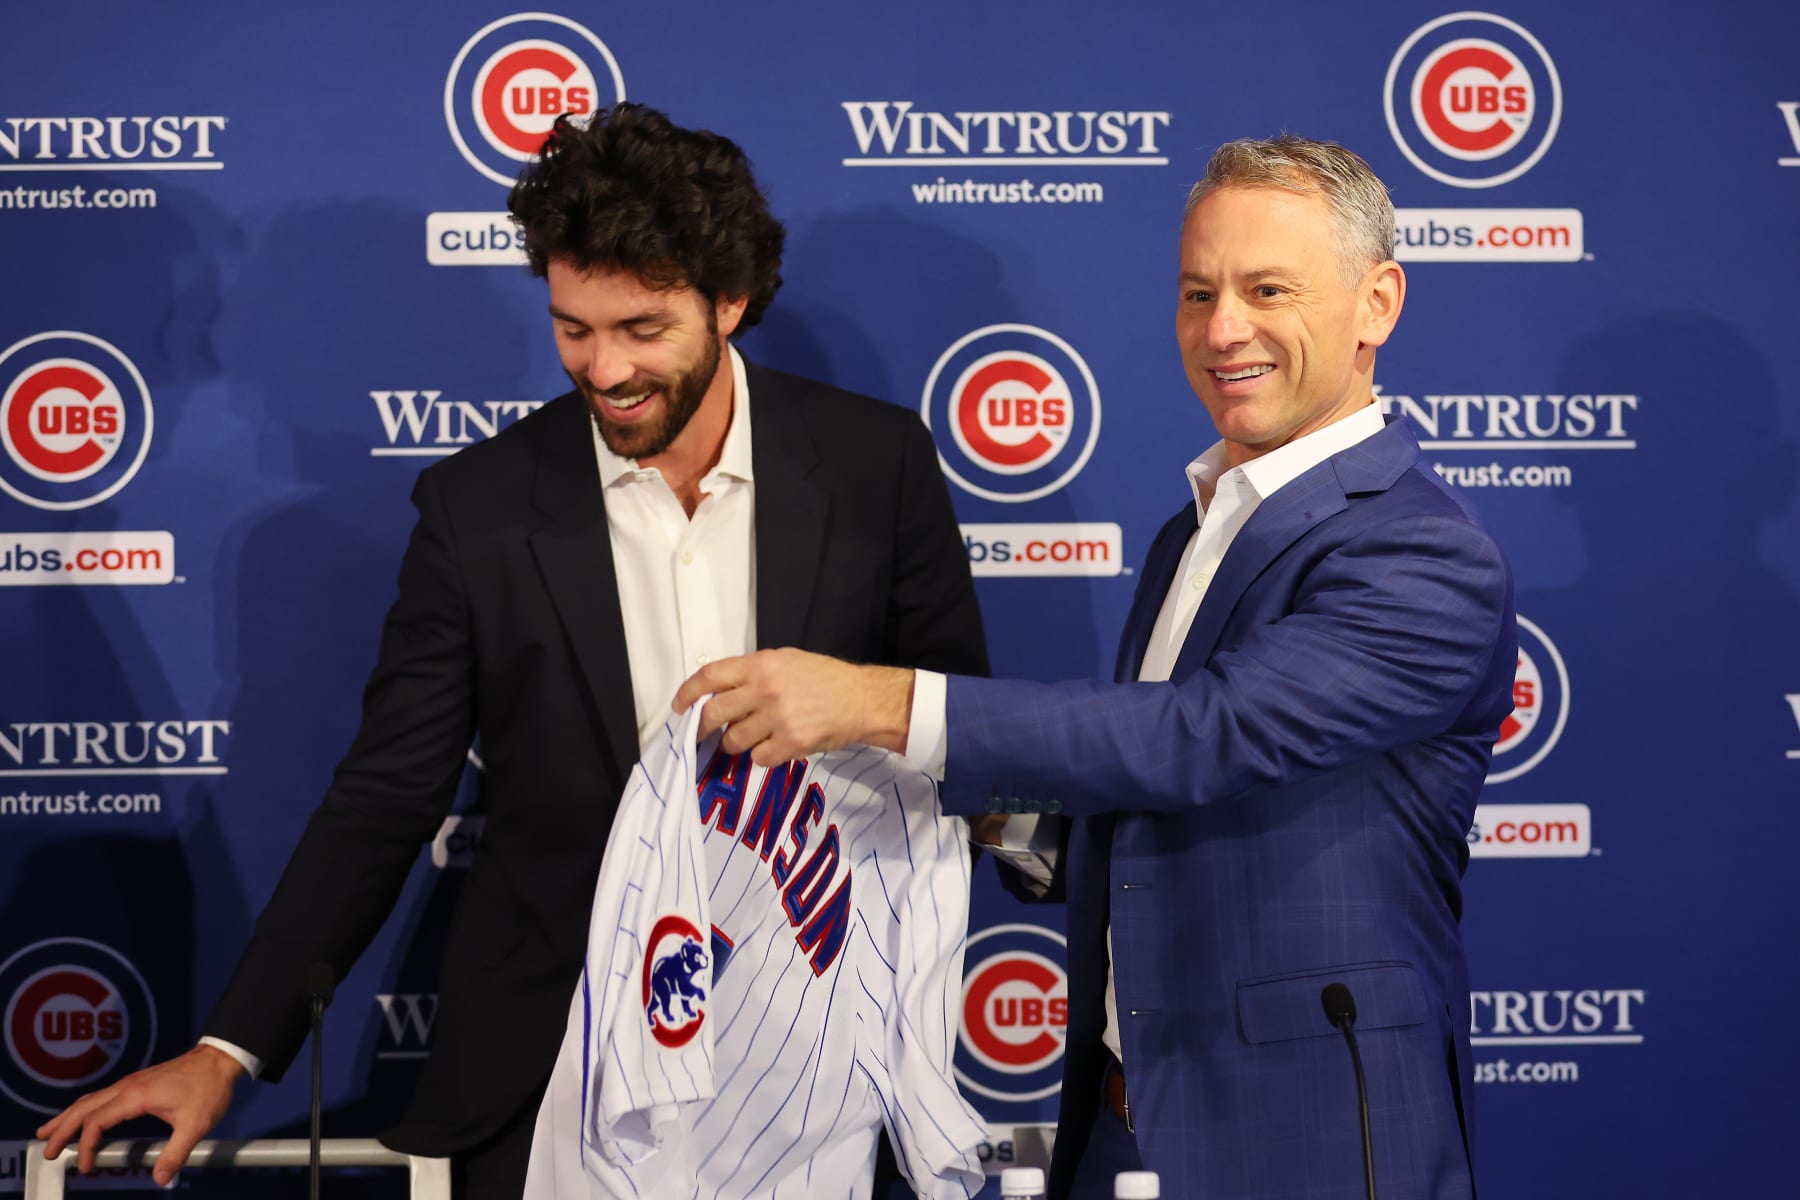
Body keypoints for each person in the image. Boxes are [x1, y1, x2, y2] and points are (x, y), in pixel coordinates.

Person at [37, 102, 988, 1196]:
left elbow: (956, 721)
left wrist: (867, 712)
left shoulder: (877, 464)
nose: (604, 368)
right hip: (550, 1071)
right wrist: (227, 1051)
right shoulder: (476, 508)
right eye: (573, 327)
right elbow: (384, 798)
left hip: (811, 1058)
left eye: (643, 329)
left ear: (729, 301)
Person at [675, 134, 1516, 1199]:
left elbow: (1206, 737)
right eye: (1197, 292)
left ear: (1377, 304)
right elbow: (1133, 821)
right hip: (1122, 1119)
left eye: (1267, 289)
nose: (1224, 330)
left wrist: (882, 702)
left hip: (1307, 1139)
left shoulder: (1422, 551)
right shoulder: (1192, 532)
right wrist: (925, 804)